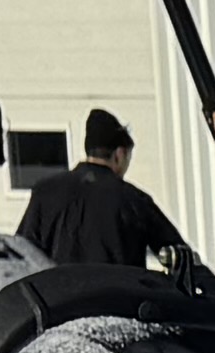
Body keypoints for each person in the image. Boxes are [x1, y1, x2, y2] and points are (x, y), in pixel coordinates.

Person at [13, 109, 193, 276]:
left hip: (56, 306)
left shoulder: (44, 193)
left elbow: (20, 253)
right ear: (119, 154)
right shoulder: (133, 200)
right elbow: (180, 257)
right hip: (117, 305)